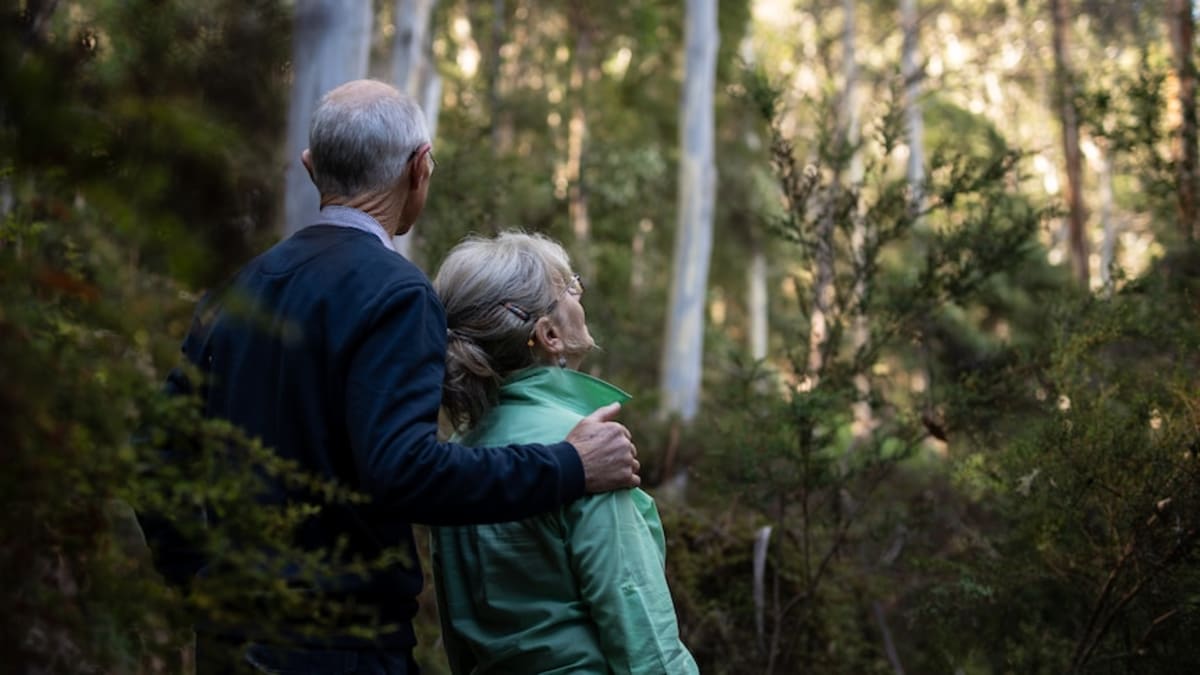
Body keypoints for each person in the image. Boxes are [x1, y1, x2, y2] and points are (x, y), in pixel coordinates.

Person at [153, 80, 640, 674]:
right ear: (420, 166)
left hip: (228, 647)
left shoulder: (237, 291)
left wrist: (200, 584)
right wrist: (569, 466)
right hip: (342, 649)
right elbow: (405, 472)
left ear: (312, 168)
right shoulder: (396, 295)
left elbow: (153, 454)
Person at [430, 232, 699, 674]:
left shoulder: (458, 458)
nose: (581, 294)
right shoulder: (589, 450)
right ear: (548, 335)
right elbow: (640, 629)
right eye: (570, 286)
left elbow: (457, 625)